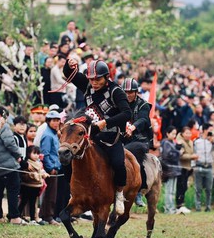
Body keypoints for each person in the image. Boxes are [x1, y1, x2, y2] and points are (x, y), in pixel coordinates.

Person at [63, 59, 132, 215]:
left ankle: (119, 194)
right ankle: (73, 191)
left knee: (118, 163)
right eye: (91, 79)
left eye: (98, 79)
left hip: (111, 137)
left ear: (106, 77)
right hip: (90, 137)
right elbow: (69, 74)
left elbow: (127, 113)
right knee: (67, 158)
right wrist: (69, 64)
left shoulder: (116, 92)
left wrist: (105, 122)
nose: (94, 82)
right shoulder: (88, 86)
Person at [0, 106, 25, 225]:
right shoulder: (3, 125)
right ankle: (14, 217)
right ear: (0, 116)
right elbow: (9, 142)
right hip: (8, 165)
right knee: (13, 190)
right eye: (6, 117)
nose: (7, 120)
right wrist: (19, 156)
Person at [121, 78, 152, 207]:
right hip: (124, 138)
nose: (128, 95)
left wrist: (132, 128)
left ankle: (139, 190)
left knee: (134, 154)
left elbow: (143, 120)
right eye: (126, 92)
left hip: (141, 139)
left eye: (131, 92)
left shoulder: (143, 105)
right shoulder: (119, 104)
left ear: (136, 92)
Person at [39, 110, 62, 225]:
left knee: (52, 193)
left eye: (58, 120)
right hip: (51, 169)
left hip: (56, 167)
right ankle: (48, 216)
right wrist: (50, 168)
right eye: (53, 120)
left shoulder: (54, 134)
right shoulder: (48, 135)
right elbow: (45, 153)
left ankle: (46, 215)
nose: (56, 123)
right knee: (50, 194)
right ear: (48, 121)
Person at [18, 145, 48, 225]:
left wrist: (44, 174)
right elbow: (26, 174)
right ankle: (17, 215)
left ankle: (32, 218)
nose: (36, 155)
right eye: (34, 153)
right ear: (28, 154)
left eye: (38, 154)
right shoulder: (27, 163)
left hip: (36, 187)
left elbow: (41, 170)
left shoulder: (39, 163)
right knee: (23, 201)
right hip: (27, 186)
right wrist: (34, 175)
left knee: (33, 203)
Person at [193, 123, 214, 212]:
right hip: (198, 166)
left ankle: (208, 206)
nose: (210, 132)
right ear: (204, 130)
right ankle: (198, 207)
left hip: (209, 167)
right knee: (198, 189)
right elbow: (193, 153)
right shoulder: (196, 141)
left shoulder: (211, 141)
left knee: (209, 189)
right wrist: (193, 166)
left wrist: (213, 141)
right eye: (209, 130)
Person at [161, 126, 182, 214]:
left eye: (175, 134)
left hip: (174, 170)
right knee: (169, 191)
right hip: (169, 170)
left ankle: (171, 208)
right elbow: (167, 155)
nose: (174, 135)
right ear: (167, 133)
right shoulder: (166, 143)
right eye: (172, 133)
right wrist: (178, 153)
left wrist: (177, 148)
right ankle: (168, 208)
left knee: (173, 191)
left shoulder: (172, 142)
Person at [176, 126, 198, 214]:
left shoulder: (191, 142)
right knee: (180, 187)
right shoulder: (179, 142)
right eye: (186, 133)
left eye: (190, 133)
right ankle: (179, 205)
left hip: (188, 167)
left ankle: (182, 204)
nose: (188, 135)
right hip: (181, 167)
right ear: (182, 133)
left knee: (185, 186)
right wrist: (192, 157)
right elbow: (180, 156)